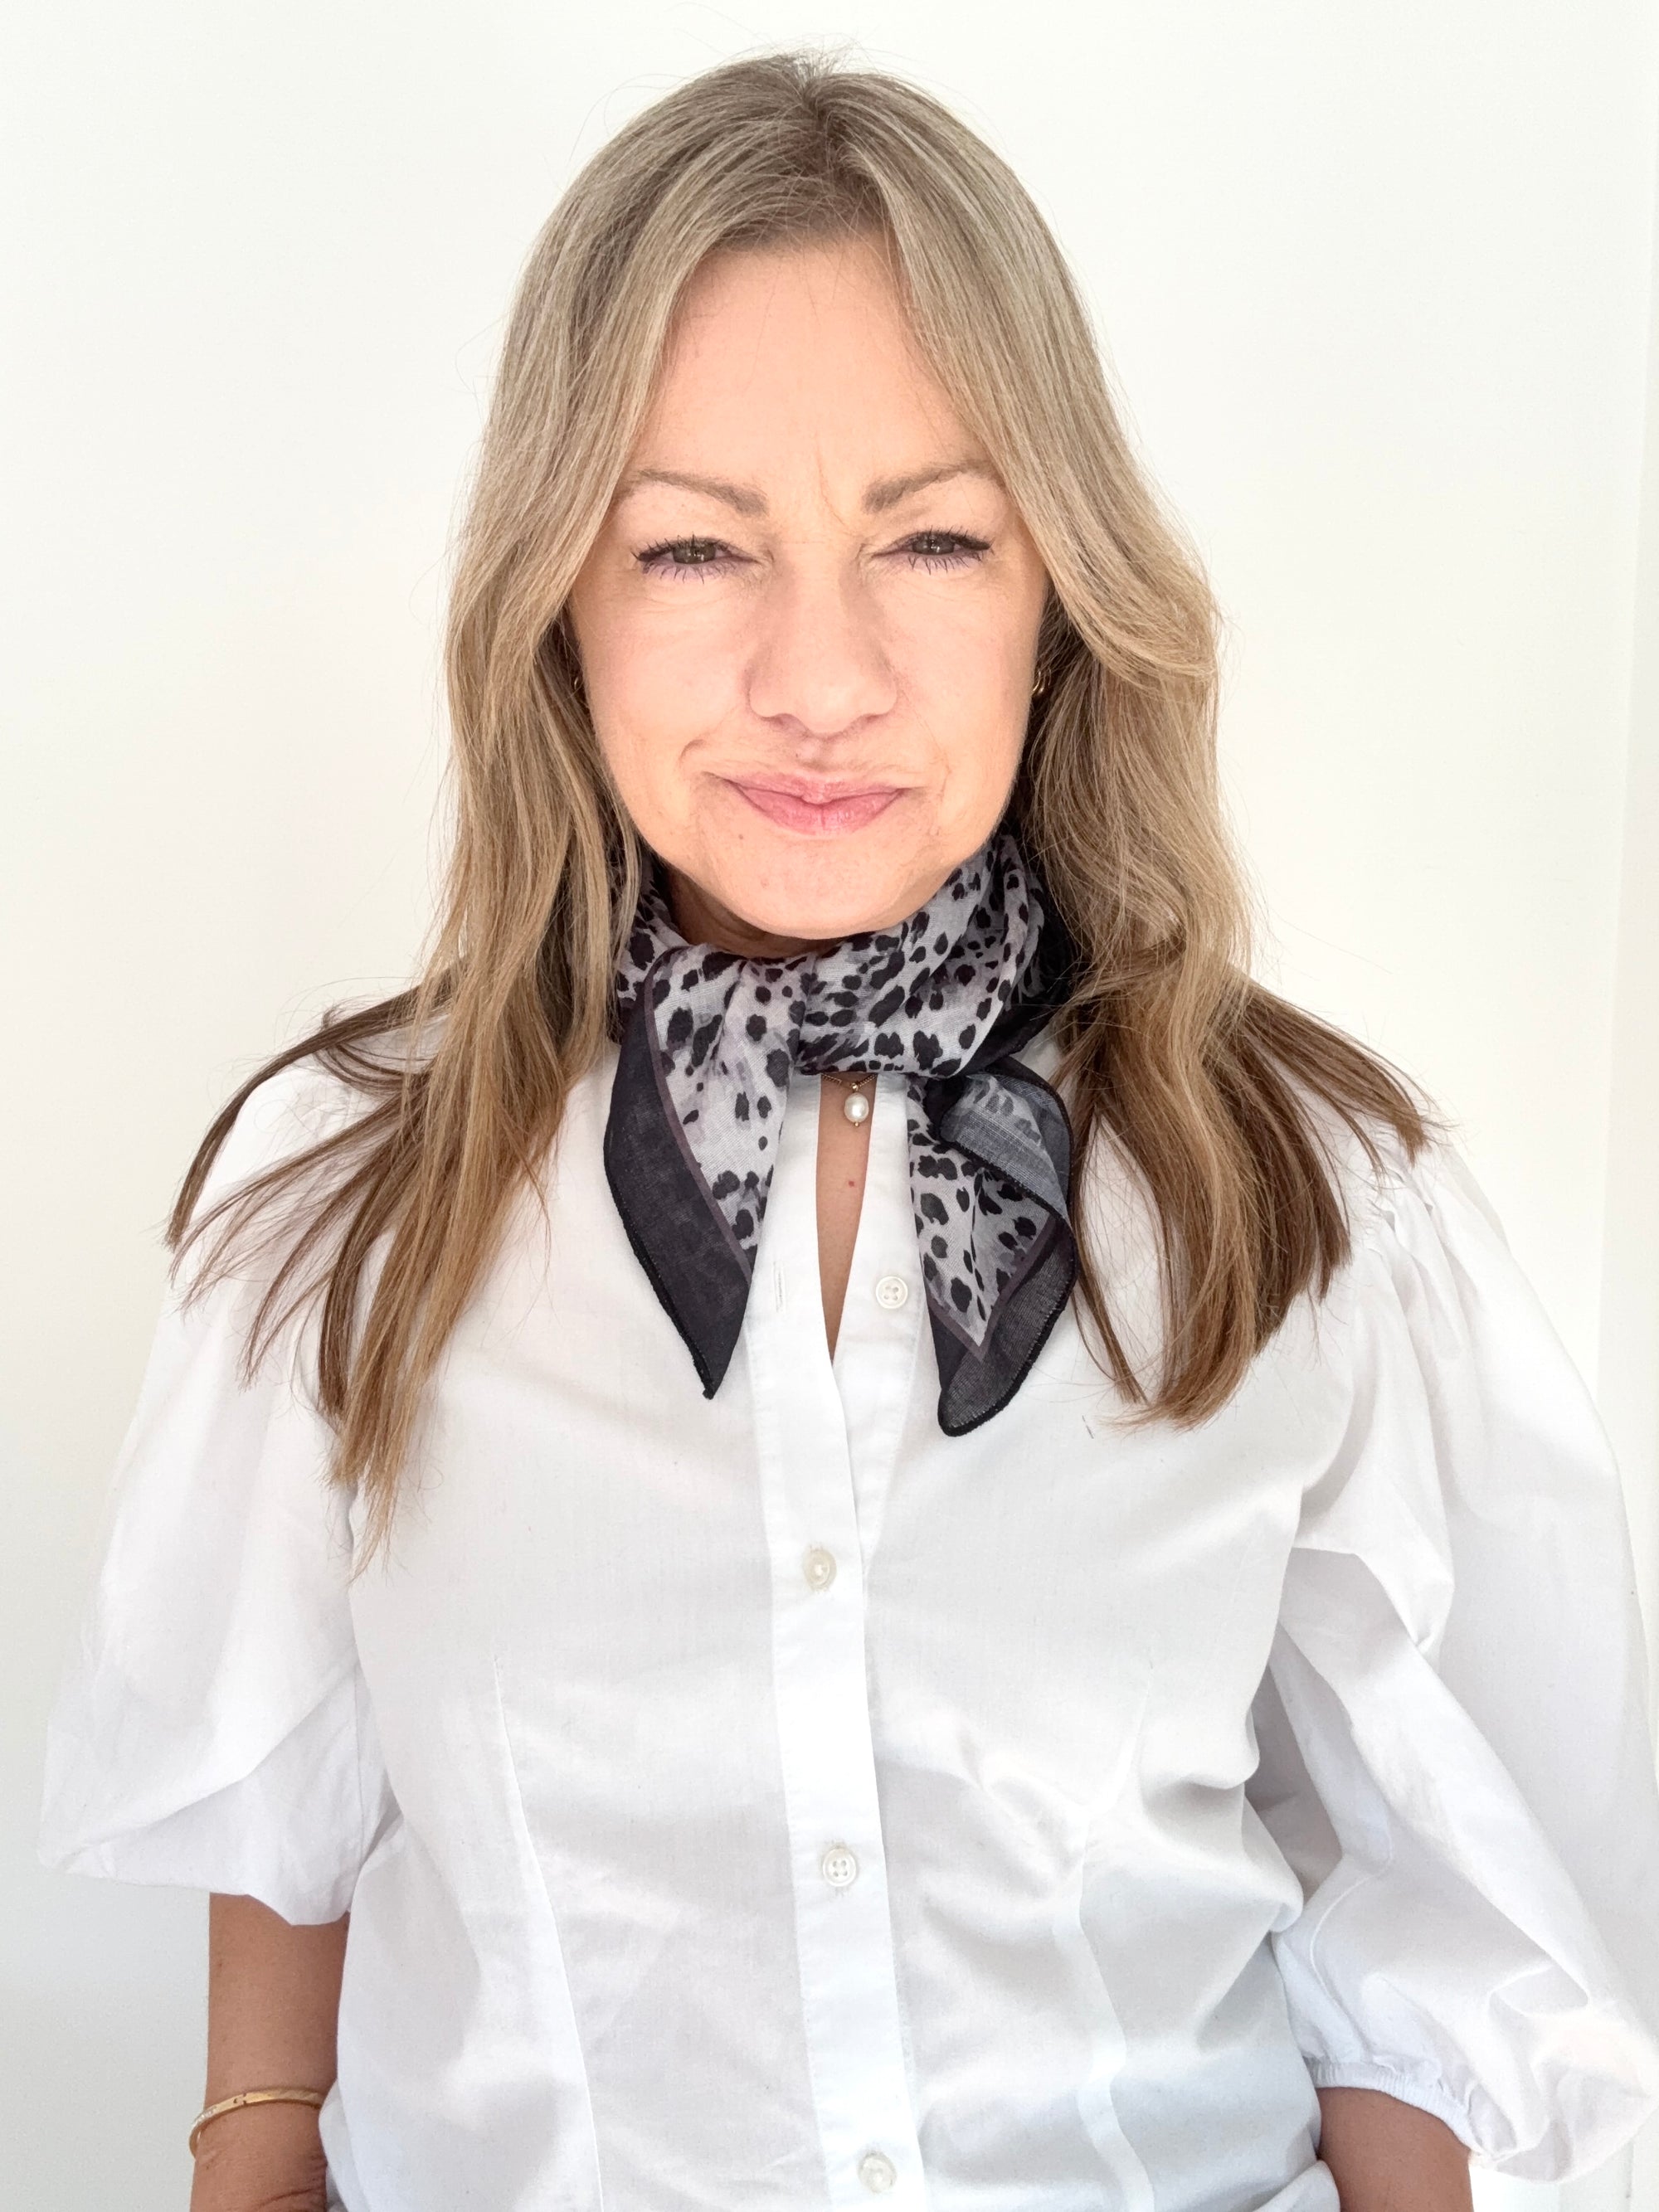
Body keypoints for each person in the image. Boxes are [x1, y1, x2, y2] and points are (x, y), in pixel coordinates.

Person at [38, 50, 1659, 2212]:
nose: (823, 676)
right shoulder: (338, 1203)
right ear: (556, 599)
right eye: (697, 545)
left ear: (1060, 593)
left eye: (935, 538)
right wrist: (250, 2150)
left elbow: (1438, 1927)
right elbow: (284, 1833)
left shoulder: (1308, 1198)